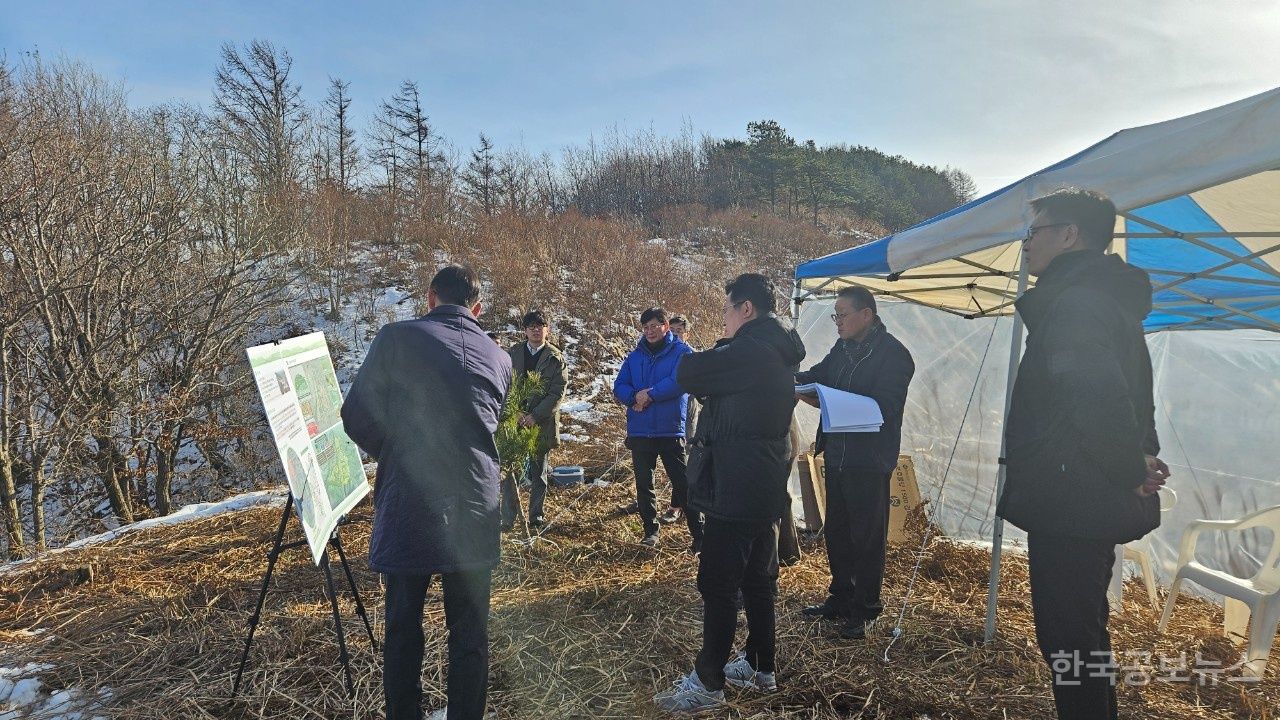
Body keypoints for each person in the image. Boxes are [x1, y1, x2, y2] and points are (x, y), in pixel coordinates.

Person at [998, 188, 1169, 720]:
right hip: (1084, 490)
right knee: (1083, 632)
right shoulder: (1101, 299)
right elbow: (1124, 393)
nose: (1027, 244)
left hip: (1073, 494)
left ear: (1069, 234)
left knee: (1069, 636)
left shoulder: (1075, 303)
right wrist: (1136, 458)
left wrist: (1128, 463)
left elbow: (1094, 394)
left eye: (1035, 231)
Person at [341, 265, 511, 720]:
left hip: (411, 501)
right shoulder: (499, 356)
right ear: (476, 309)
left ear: (430, 298)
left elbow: (356, 414)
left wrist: (396, 451)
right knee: (470, 633)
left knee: (402, 626)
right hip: (477, 502)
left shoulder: (396, 338)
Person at [654, 273, 805, 713]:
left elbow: (689, 370)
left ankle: (708, 681)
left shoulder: (752, 350)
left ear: (746, 310)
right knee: (759, 580)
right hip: (761, 480)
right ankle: (761, 664)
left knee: (718, 582)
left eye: (726, 310)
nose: (723, 319)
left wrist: (713, 351)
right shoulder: (776, 348)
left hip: (736, 484)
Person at [795, 285, 915, 640]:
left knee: (867, 535)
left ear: (867, 314)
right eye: (835, 316)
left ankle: (866, 608)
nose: (837, 323)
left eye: (842, 315)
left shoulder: (894, 355)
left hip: (870, 458)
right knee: (838, 531)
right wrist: (793, 381)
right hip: (839, 454)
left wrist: (829, 399)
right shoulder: (843, 349)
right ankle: (841, 597)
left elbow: (884, 406)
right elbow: (819, 374)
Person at [613, 307, 700, 549]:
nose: (649, 331)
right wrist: (633, 397)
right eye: (645, 327)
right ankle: (650, 531)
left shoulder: (682, 352)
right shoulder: (634, 357)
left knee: (682, 484)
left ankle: (700, 534)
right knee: (644, 483)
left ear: (665, 326)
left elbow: (678, 381)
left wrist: (650, 395)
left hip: (669, 429)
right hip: (640, 430)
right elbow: (619, 385)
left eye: (654, 326)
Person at [500, 310, 568, 529]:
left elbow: (557, 392)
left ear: (547, 329)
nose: (536, 331)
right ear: (525, 331)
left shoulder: (555, 357)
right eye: (532, 327)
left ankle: (536, 515)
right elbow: (505, 386)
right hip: (515, 421)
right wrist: (516, 413)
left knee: (540, 471)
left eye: (540, 327)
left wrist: (535, 416)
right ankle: (508, 516)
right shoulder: (513, 353)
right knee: (511, 471)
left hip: (542, 423)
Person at [664, 315, 697, 525]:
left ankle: (678, 506)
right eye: (672, 330)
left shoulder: (690, 355)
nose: (675, 334)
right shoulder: (665, 353)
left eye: (679, 331)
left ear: (687, 334)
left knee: (681, 459)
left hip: (687, 410)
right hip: (667, 410)